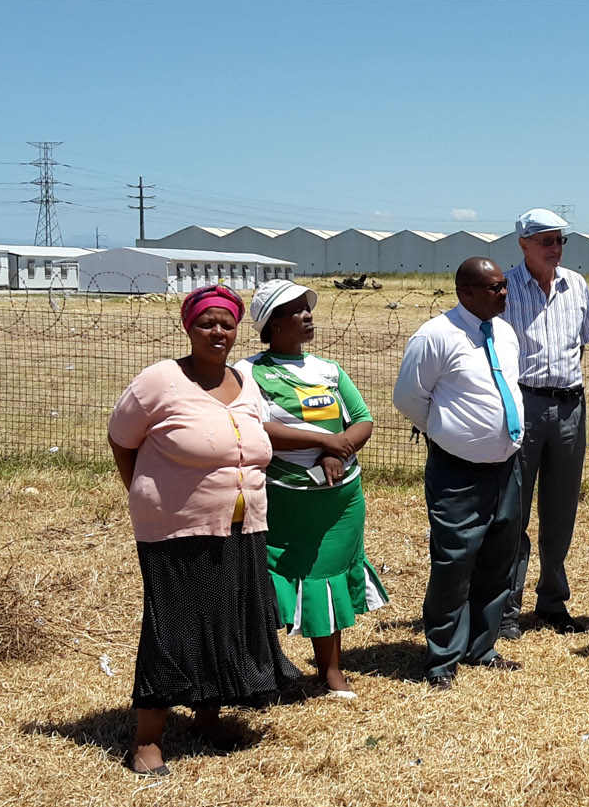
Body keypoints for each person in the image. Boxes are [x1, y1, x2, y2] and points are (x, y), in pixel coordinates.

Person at [108, 284, 300, 777]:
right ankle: (148, 740)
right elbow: (121, 439)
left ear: (238, 329)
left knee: (226, 623)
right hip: (176, 527)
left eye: (226, 324)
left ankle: (208, 718)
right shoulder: (160, 380)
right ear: (187, 327)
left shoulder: (245, 380)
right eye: (206, 323)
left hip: (244, 525)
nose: (218, 332)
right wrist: (145, 494)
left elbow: (256, 440)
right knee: (173, 630)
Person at [236, 279, 388, 701]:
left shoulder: (329, 370)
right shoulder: (249, 373)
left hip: (339, 500)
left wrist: (340, 450)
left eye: (308, 308)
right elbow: (256, 427)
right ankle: (262, 670)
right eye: (296, 311)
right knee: (273, 581)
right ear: (272, 324)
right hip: (286, 499)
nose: (308, 316)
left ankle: (331, 671)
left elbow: (361, 419)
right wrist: (323, 442)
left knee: (328, 580)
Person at [393, 257, 527, 690]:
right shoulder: (436, 336)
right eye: (494, 288)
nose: (504, 293)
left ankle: (481, 645)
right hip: (458, 472)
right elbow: (409, 398)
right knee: (454, 561)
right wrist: (450, 434)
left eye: (504, 285)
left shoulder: (504, 332)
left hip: (506, 468)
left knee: (498, 555)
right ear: (465, 292)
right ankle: (442, 658)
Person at [499, 208, 589, 637]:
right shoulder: (503, 289)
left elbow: (581, 346)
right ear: (523, 244)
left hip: (570, 408)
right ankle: (505, 609)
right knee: (513, 511)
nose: (555, 248)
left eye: (560, 240)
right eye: (546, 241)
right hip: (524, 405)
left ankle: (553, 602)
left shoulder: (576, 285)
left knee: (561, 510)